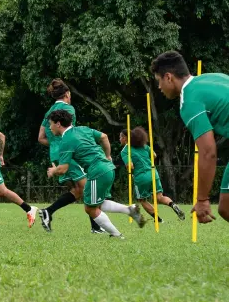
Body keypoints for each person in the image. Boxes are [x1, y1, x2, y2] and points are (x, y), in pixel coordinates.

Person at [151, 51, 229, 223]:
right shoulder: (212, 78)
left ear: (169, 77)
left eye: (159, 81)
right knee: (226, 207)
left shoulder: (189, 101)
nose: (159, 87)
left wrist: (202, 200)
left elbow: (208, 151)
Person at [47, 110, 147, 239]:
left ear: (58, 124)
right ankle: (130, 210)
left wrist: (53, 171)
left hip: (97, 171)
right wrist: (108, 156)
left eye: (50, 124)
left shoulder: (66, 140)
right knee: (97, 203)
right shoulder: (82, 129)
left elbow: (63, 169)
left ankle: (117, 235)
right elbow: (104, 137)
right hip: (107, 168)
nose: (50, 127)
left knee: (90, 209)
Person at [38, 79, 105, 234]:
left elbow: (41, 138)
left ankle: (48, 212)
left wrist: (56, 146)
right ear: (67, 94)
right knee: (89, 186)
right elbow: (71, 135)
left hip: (55, 155)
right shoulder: (69, 109)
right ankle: (96, 227)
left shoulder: (49, 113)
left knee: (78, 190)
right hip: (69, 154)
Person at [119, 127, 185, 223]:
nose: (119, 139)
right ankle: (172, 205)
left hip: (141, 176)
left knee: (142, 200)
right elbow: (154, 155)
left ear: (125, 138)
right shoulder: (142, 145)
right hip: (153, 173)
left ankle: (158, 220)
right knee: (159, 197)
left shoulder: (125, 151)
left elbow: (131, 166)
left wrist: (129, 168)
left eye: (120, 137)